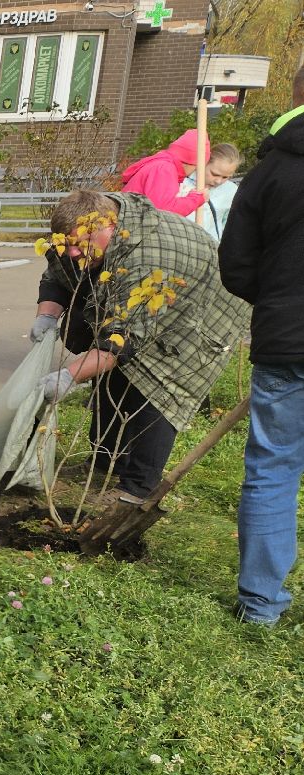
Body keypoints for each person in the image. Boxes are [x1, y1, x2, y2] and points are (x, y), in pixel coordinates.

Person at [30, 190, 250, 506]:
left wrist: (67, 376)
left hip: (198, 314)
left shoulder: (144, 256)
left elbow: (121, 342)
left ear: (108, 227)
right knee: (110, 380)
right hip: (143, 300)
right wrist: (47, 316)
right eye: (69, 244)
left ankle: (137, 488)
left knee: (157, 389)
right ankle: (106, 463)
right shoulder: (87, 228)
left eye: (80, 244)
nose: (74, 252)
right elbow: (57, 272)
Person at [220, 64, 304, 626]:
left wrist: (278, 300)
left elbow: (237, 266)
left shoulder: (270, 171)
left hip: (287, 338)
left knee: (273, 468)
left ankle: (260, 605)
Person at [121, 128, 209, 216]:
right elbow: (163, 211)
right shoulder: (164, 169)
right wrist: (196, 199)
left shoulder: (161, 164)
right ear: (191, 162)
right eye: (196, 167)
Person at [187, 142, 241, 242]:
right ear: (204, 162)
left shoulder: (231, 190)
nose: (218, 181)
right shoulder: (182, 183)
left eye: (225, 177)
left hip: (212, 249)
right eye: (215, 174)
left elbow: (229, 225)